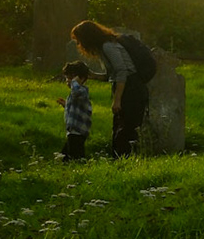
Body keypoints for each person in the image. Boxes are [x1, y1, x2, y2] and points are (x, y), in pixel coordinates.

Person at [71, 19, 149, 158]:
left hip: (132, 89)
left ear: (88, 37)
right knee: (118, 127)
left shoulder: (108, 46)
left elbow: (122, 72)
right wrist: (93, 75)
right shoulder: (103, 48)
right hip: (126, 87)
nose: (79, 44)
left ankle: (126, 161)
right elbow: (112, 75)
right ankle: (119, 160)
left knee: (126, 129)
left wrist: (117, 100)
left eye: (79, 40)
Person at [57, 61, 92, 161]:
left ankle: (80, 167)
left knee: (75, 156)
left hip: (78, 130)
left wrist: (74, 82)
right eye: (67, 78)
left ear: (82, 78)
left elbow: (76, 92)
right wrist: (65, 104)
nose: (68, 81)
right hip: (72, 130)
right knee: (66, 155)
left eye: (71, 78)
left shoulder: (82, 91)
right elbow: (76, 107)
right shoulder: (75, 93)